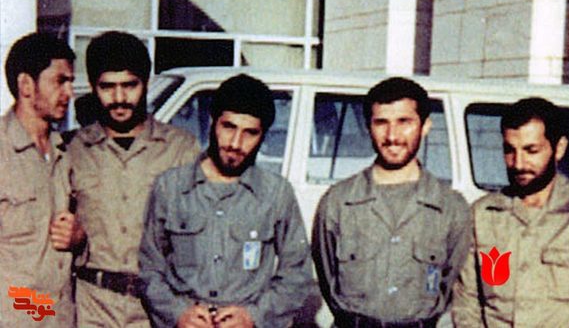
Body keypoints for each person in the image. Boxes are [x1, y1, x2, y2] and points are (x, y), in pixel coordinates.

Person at [139, 74, 314, 328]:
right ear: (213, 122)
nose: (235, 143)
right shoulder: (170, 188)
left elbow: (297, 274)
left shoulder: (276, 193)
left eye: (250, 133)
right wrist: (177, 313)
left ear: (263, 135)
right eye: (229, 127)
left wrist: (254, 316)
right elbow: (149, 268)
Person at [312, 77, 471, 328]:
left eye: (404, 122)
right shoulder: (338, 202)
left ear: (425, 126)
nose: (392, 136)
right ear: (368, 127)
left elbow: (451, 282)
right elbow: (327, 275)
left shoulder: (451, 208)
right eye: (381, 123)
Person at [452, 97, 569, 327]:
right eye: (510, 151)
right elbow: (466, 302)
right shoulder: (482, 215)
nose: (519, 163)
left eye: (531, 150)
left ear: (559, 148)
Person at [68, 31, 199, 327]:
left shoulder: (181, 149)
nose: (119, 98)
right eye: (107, 87)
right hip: (92, 308)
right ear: (93, 87)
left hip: (156, 311)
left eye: (129, 85)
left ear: (146, 82)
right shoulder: (73, 150)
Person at [1, 33, 83, 327]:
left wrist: (78, 237)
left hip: (58, 317)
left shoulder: (66, 152)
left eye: (71, 82)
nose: (69, 92)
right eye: (60, 81)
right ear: (26, 85)